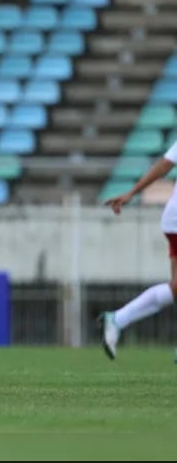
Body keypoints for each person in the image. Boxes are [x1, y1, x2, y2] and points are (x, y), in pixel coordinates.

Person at [99, 138, 177, 360]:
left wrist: (131, 193)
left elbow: (165, 164)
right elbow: (164, 165)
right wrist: (131, 193)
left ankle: (117, 320)